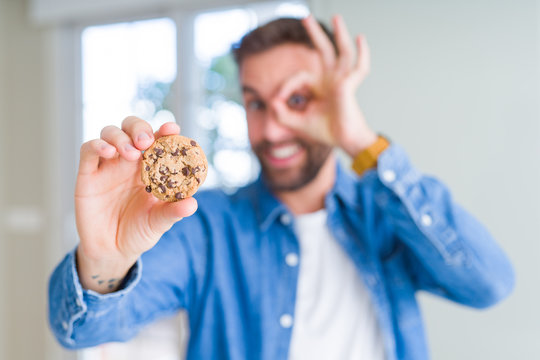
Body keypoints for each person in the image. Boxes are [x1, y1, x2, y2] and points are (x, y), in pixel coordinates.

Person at [48, 15, 514, 360]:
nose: (272, 129)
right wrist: (105, 262)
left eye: (297, 99)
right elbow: (81, 331)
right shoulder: (202, 224)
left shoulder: (386, 216)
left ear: (336, 101)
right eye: (255, 103)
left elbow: (488, 284)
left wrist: (361, 142)